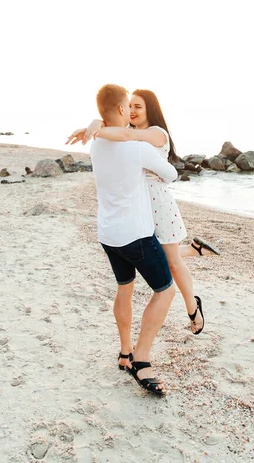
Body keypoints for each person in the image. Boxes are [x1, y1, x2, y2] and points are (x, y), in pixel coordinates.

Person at [66, 89, 220, 336]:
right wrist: (96, 123)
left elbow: (123, 132)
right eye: (131, 106)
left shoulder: (156, 134)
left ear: (150, 110)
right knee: (159, 256)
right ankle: (194, 250)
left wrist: (93, 128)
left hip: (159, 205)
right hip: (140, 207)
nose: (134, 111)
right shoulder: (132, 134)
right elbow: (117, 127)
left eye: (139, 106)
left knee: (172, 262)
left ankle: (193, 309)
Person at [87, 84, 178, 396]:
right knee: (165, 292)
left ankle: (125, 352)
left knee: (125, 289)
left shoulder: (96, 144)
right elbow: (171, 174)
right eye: (129, 106)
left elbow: (112, 135)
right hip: (135, 235)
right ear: (124, 109)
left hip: (108, 234)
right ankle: (141, 359)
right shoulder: (137, 148)